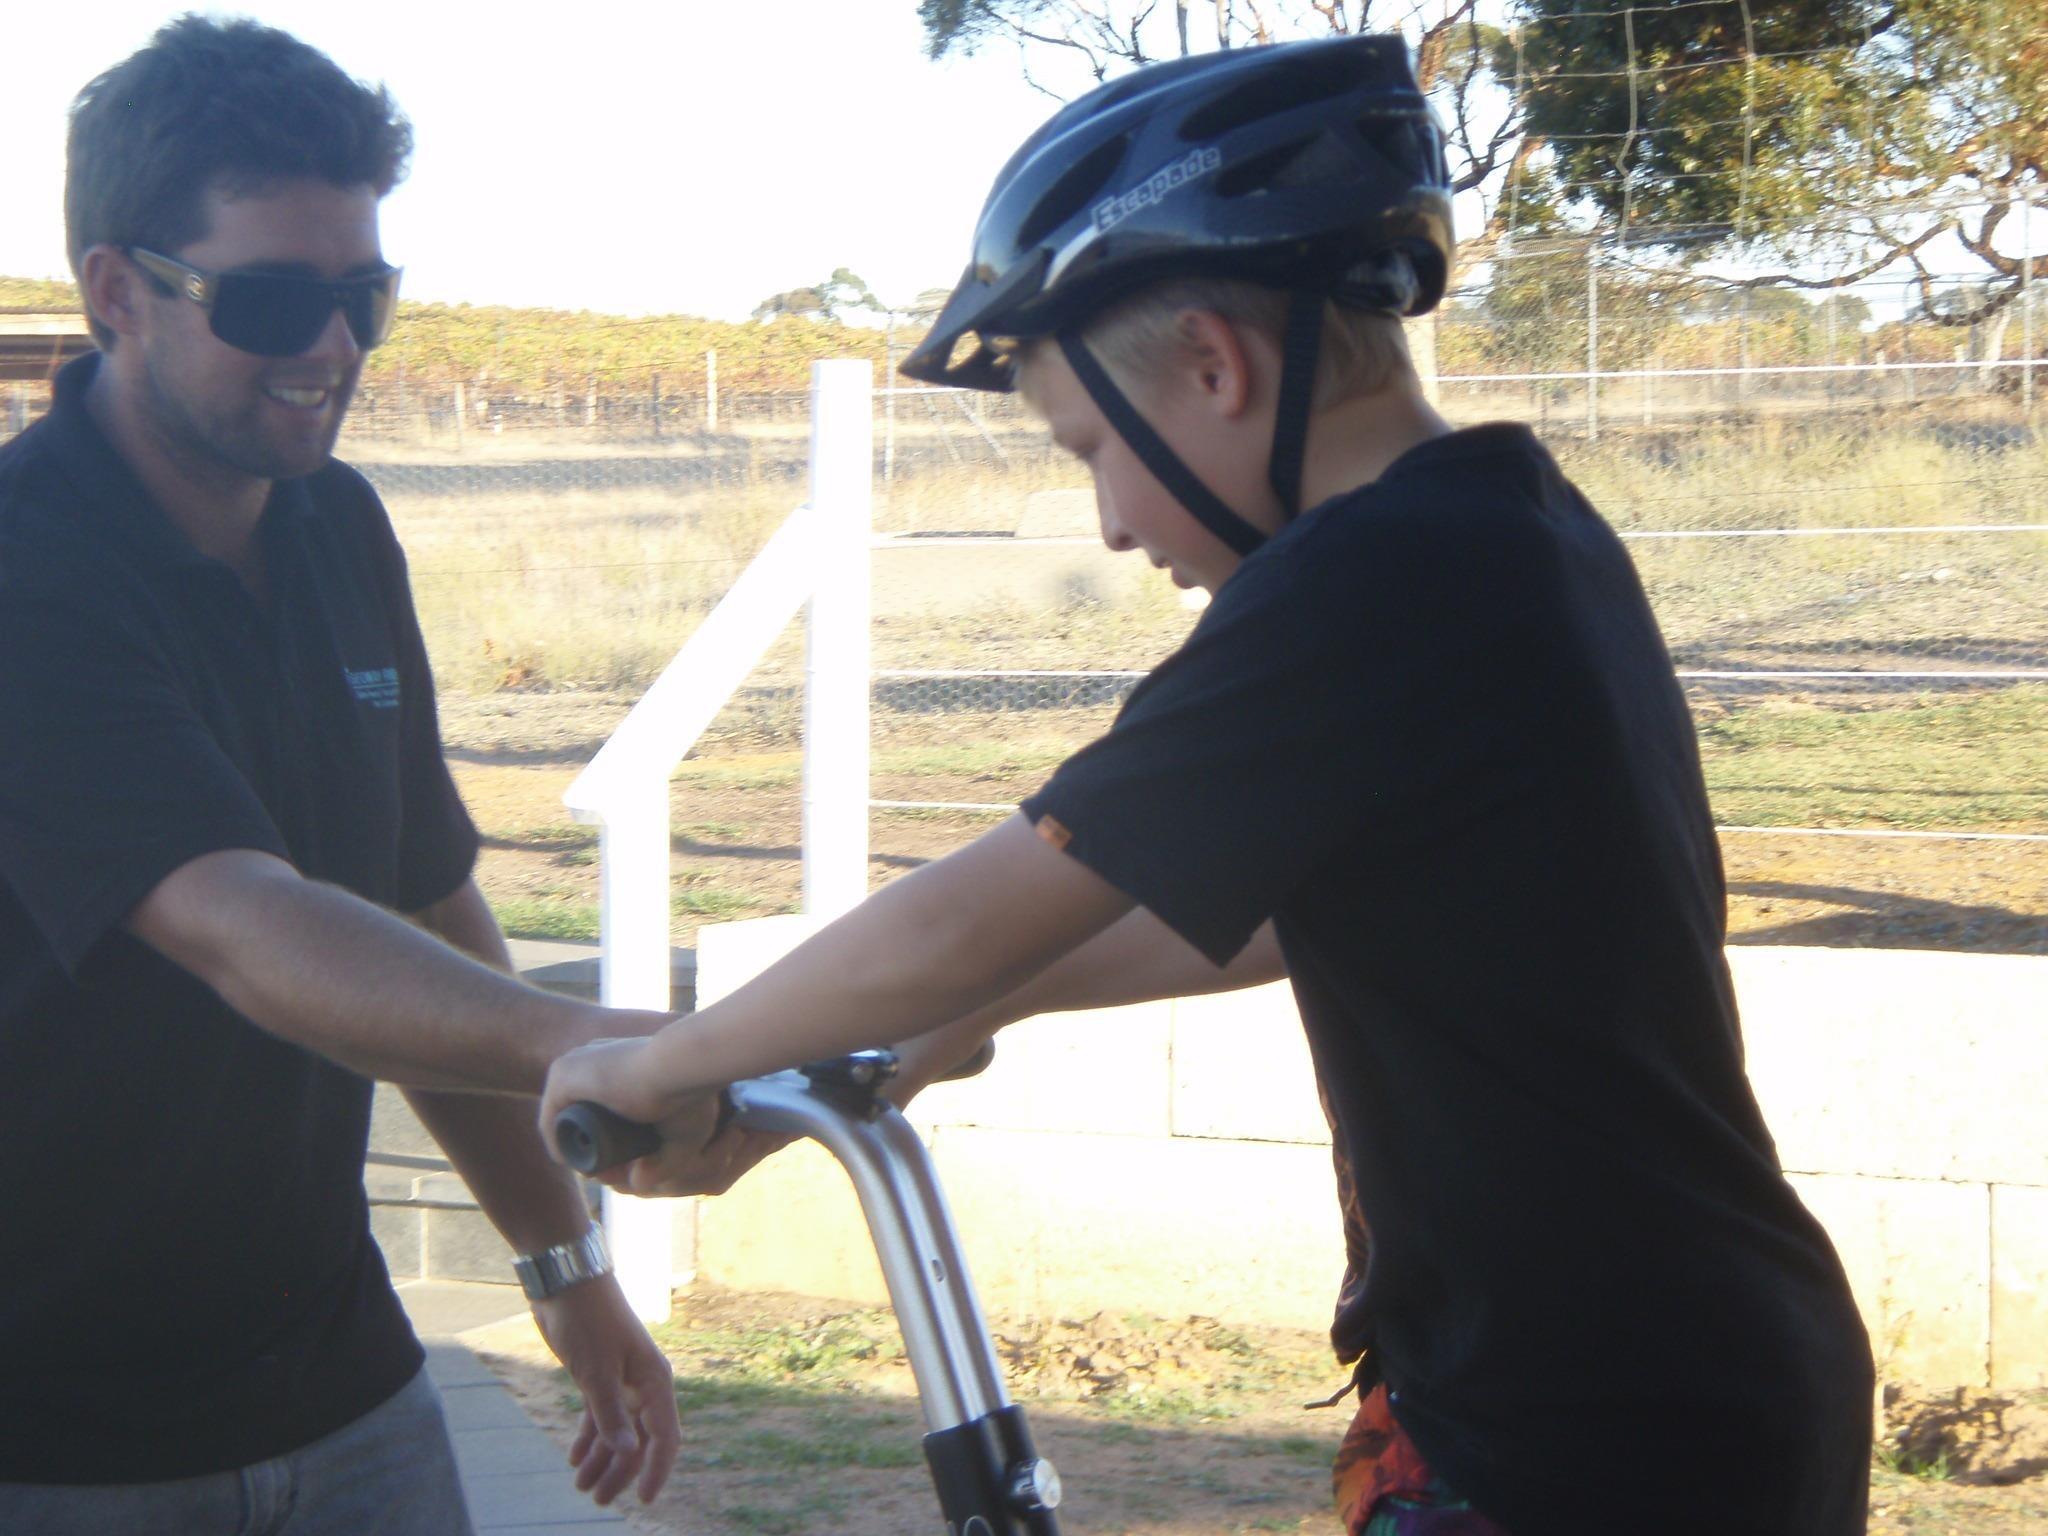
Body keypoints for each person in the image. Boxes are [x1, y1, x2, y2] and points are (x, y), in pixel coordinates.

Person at [538, 34, 1875, 1536]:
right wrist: (978, 1011)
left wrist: (661, 1063)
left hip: (1591, 1440)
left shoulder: (1366, 579)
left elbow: (979, 905)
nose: (1109, 522)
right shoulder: (1514, 530)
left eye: (1091, 445)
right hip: (1681, 1377)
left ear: (1216, 371)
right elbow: (1284, 917)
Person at [0, 18, 749, 1531]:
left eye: (366, 296)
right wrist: (597, 1044)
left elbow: (417, 901)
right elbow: (243, 923)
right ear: (115, 294)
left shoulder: (337, 527)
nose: (333, 348)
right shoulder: (27, 565)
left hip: (342, 1386)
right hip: (57, 1434)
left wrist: (564, 1267)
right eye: (277, 299)